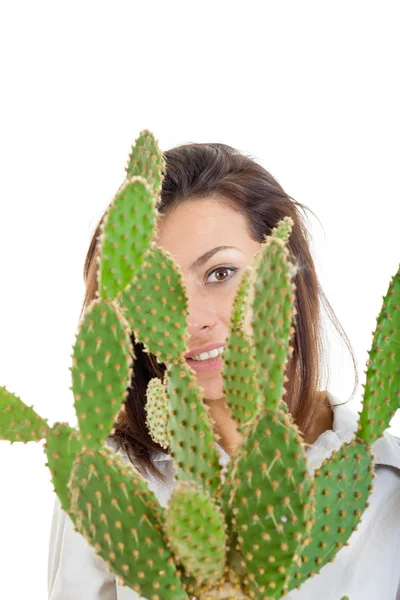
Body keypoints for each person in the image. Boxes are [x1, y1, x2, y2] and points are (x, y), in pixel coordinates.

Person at [47, 141, 400, 600]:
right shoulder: (104, 483)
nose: (193, 318)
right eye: (157, 290)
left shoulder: (386, 479)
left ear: (286, 271)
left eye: (219, 273)